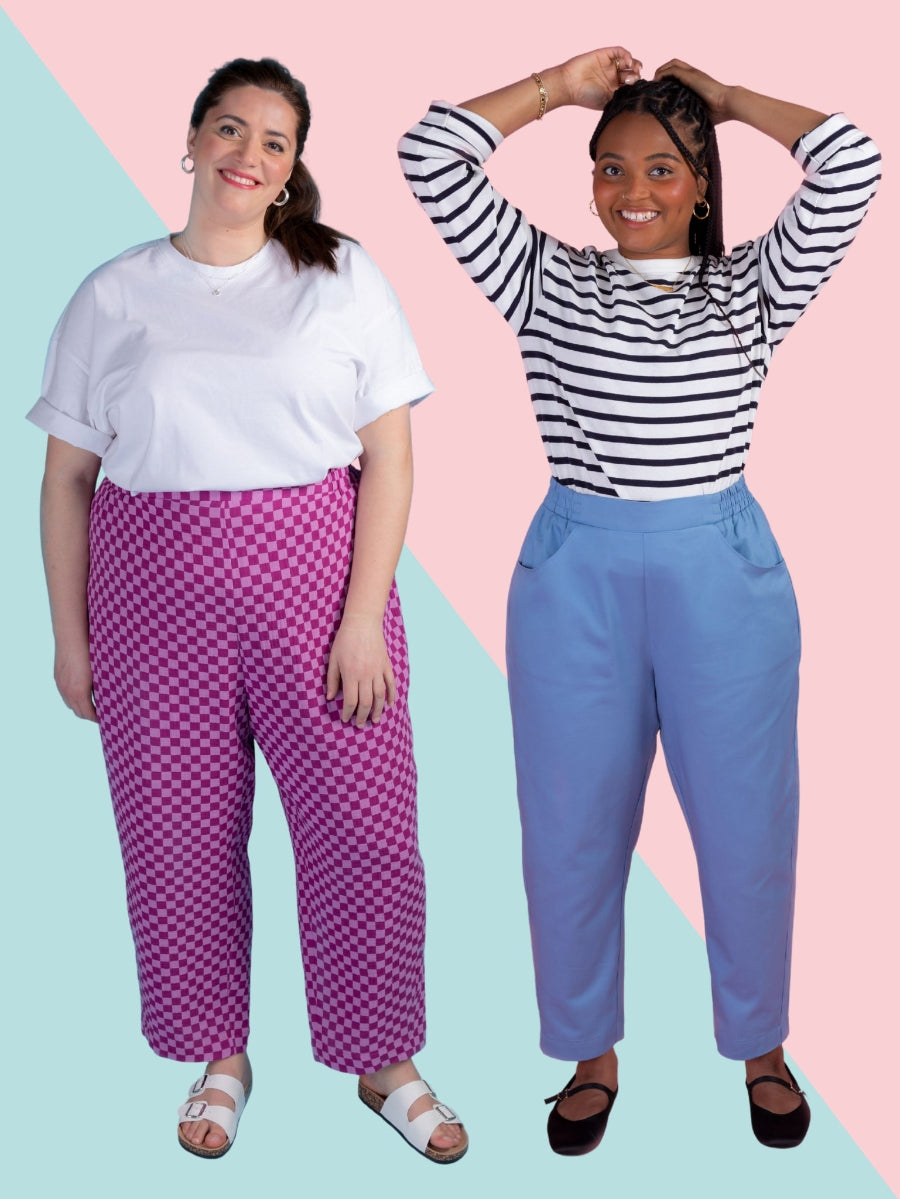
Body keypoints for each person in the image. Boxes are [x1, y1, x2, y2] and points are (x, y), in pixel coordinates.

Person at [399, 48, 879, 1154]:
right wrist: (556, 89)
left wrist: (727, 101)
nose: (634, 194)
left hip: (723, 569)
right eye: (610, 170)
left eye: (663, 168)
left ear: (702, 181)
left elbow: (852, 162)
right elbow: (430, 152)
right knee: (569, 828)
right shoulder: (545, 277)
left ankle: (760, 1041)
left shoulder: (754, 283)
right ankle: (589, 1052)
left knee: (748, 823)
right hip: (579, 574)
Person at [30, 56, 466, 1164]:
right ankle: (217, 1053)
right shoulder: (113, 293)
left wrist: (364, 613)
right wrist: (70, 637)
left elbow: (393, 457)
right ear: (191, 140)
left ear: (290, 170)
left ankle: (386, 1060)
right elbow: (66, 479)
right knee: (175, 837)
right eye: (230, 128)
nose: (248, 152)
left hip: (321, 592)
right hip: (149, 604)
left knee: (364, 832)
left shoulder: (341, 276)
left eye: (273, 141)